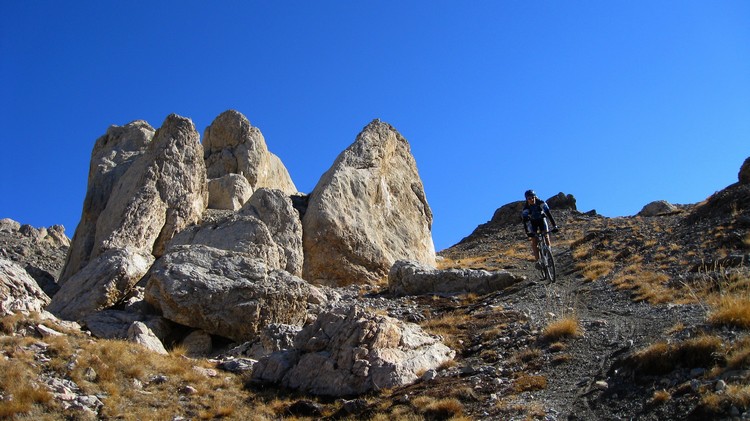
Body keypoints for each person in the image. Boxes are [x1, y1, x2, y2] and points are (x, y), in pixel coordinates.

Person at [521, 190, 559, 265]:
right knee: (534, 240)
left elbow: (549, 214)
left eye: (532, 197)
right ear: (527, 199)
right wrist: (528, 232)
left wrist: (555, 226)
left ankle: (549, 254)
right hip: (533, 223)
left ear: (535, 197)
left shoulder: (541, 203)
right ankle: (538, 261)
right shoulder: (526, 208)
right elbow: (525, 221)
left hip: (541, 220)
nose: (531, 199)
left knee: (546, 235)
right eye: (529, 198)